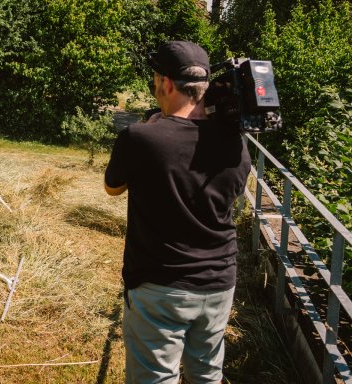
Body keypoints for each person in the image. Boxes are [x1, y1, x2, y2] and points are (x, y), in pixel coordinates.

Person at [104, 41, 251, 383]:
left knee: (155, 377)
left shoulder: (140, 138)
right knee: (207, 374)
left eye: (156, 79)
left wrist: (154, 126)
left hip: (160, 283)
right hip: (219, 282)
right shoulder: (236, 143)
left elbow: (113, 188)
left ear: (166, 84)